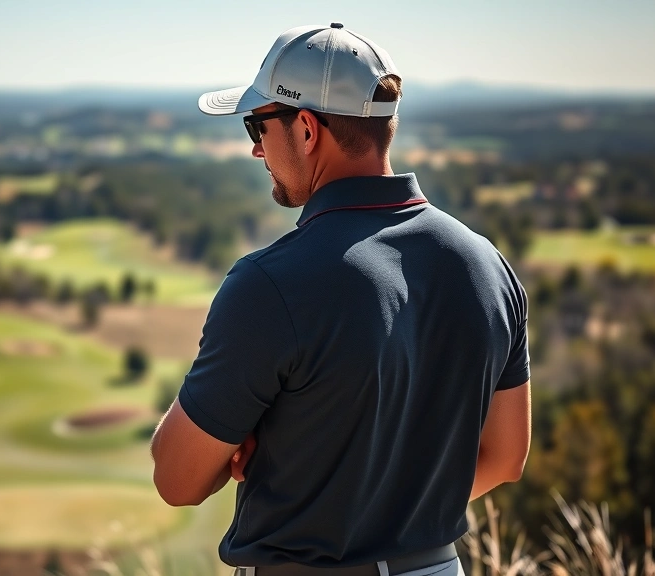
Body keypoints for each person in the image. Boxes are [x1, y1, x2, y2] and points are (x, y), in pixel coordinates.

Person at [150, 24, 531, 576]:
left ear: (306, 129)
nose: (256, 148)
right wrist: (397, 508)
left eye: (258, 125)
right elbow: (505, 458)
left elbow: (177, 480)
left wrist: (243, 437)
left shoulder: (270, 284)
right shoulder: (487, 266)